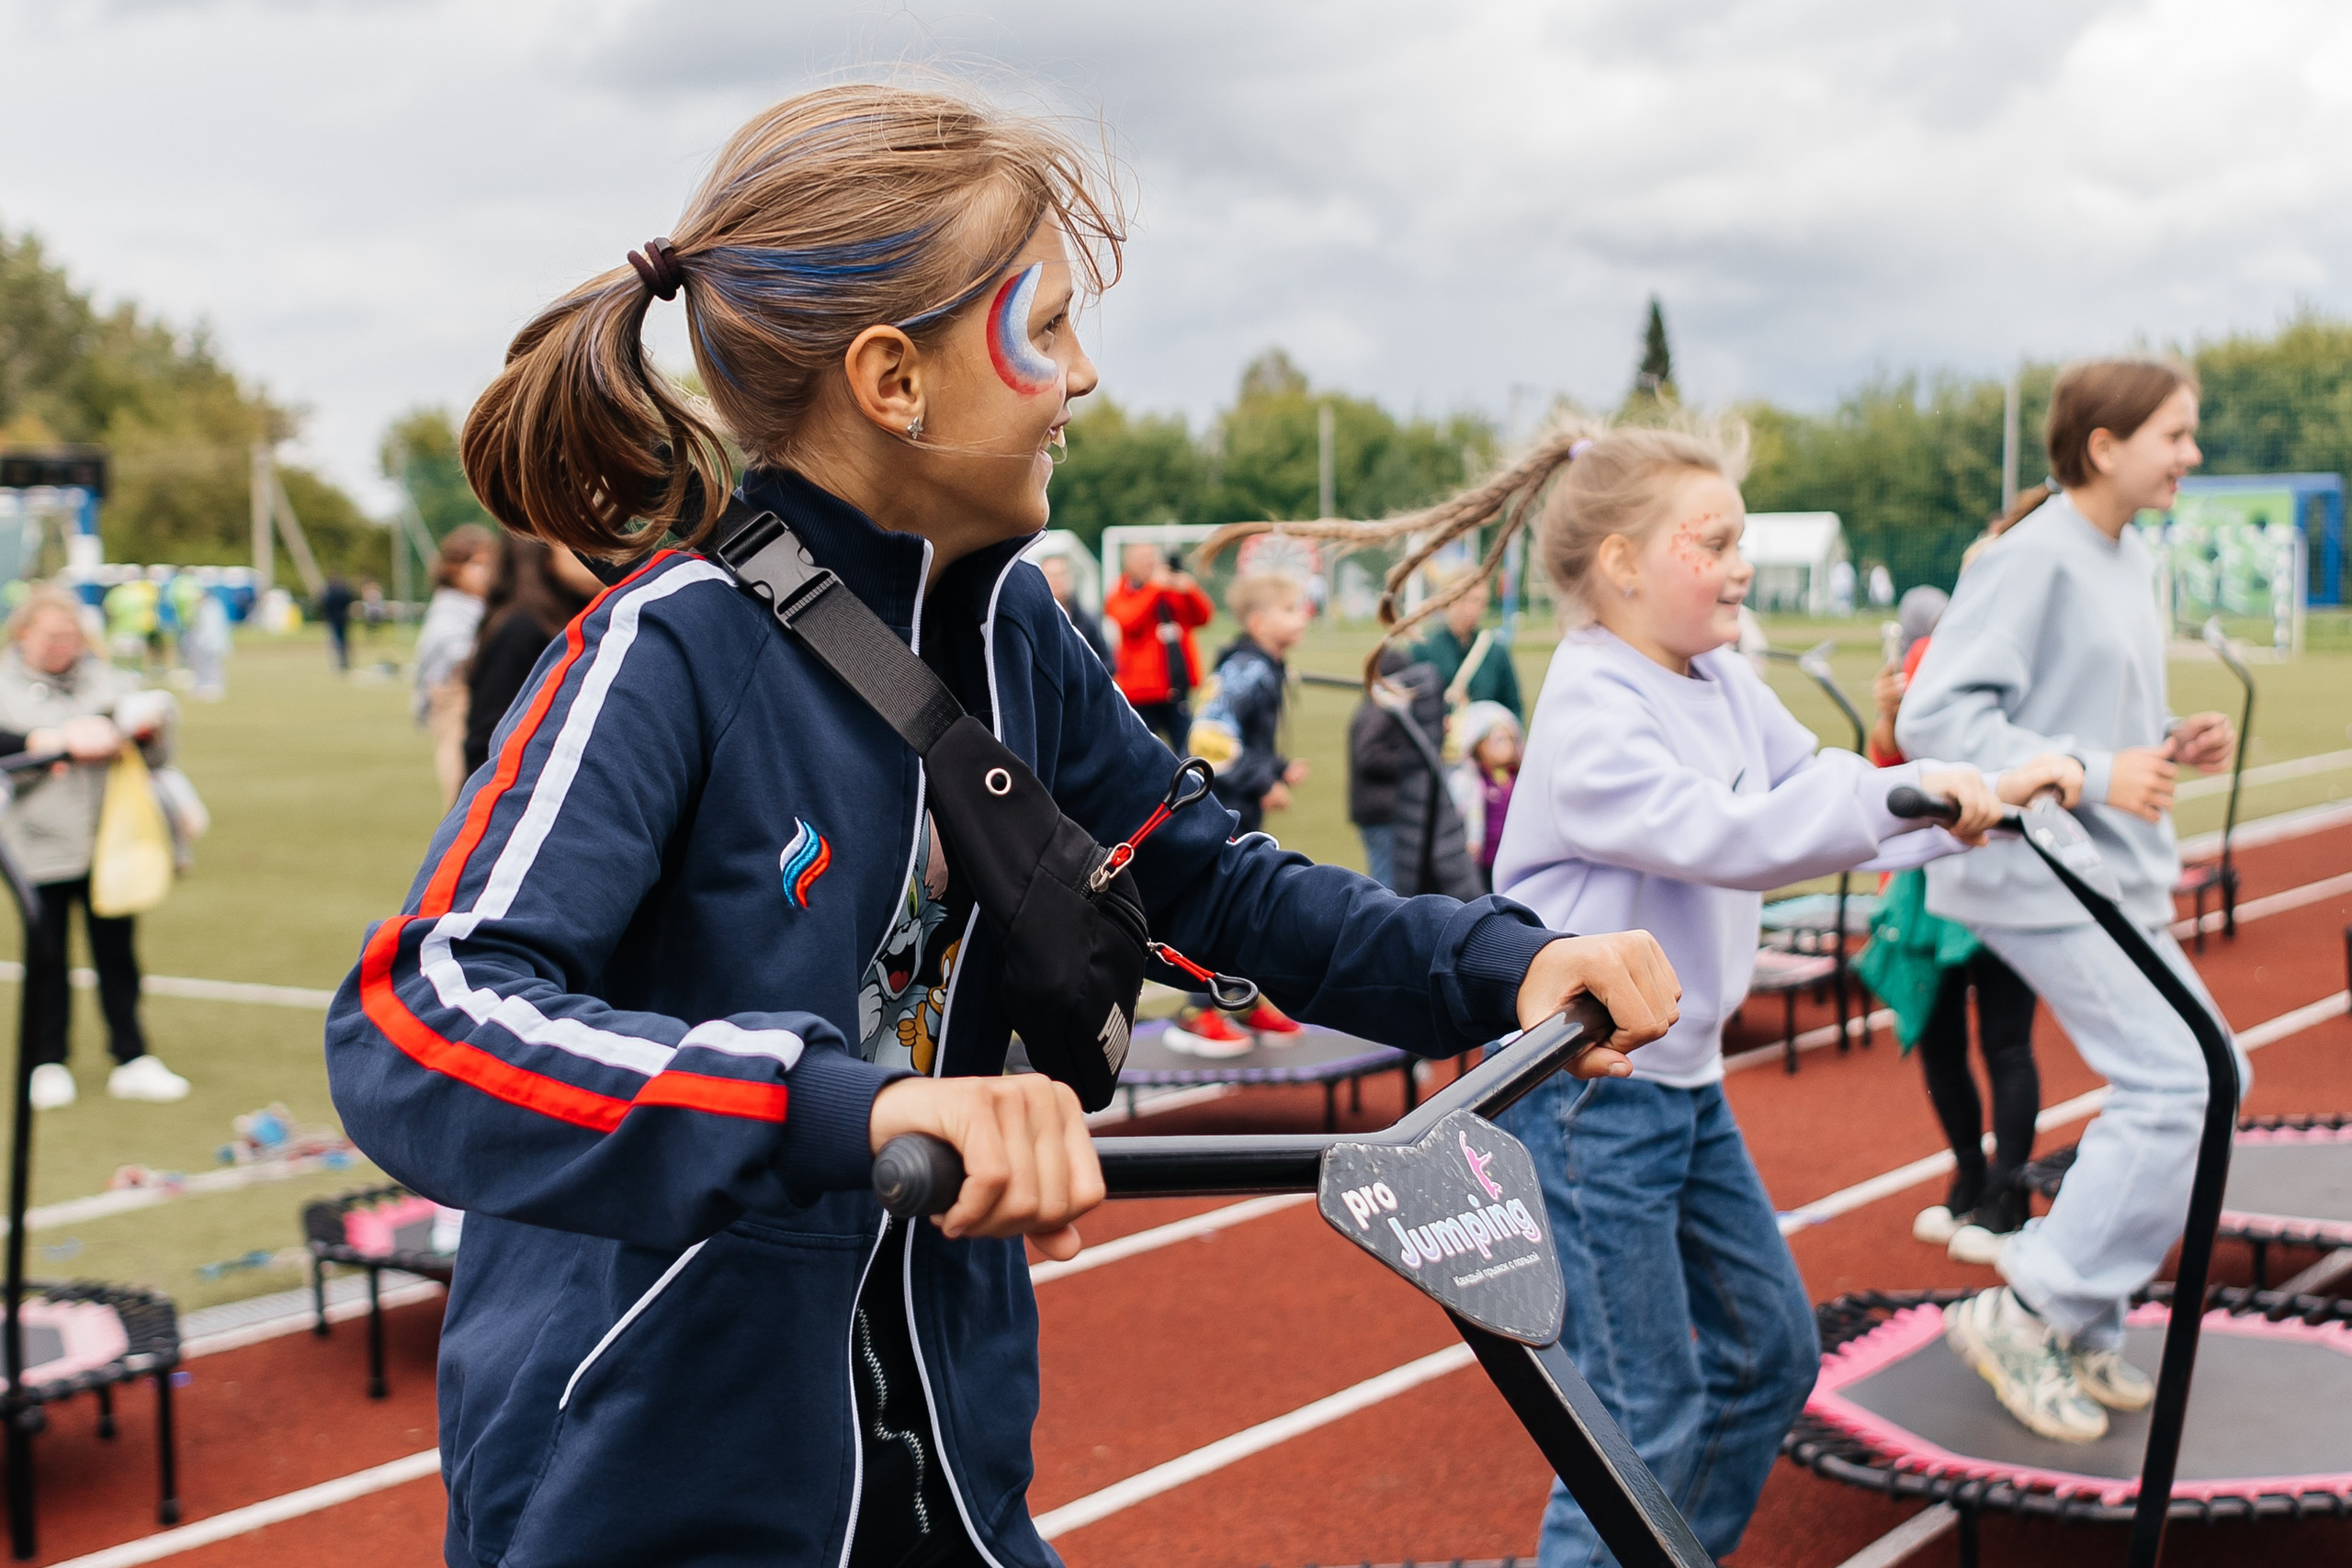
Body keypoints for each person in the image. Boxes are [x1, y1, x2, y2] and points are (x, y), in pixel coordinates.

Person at [322, 84, 1681, 1568]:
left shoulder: (1016, 630)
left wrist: (1506, 963)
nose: (1081, 377)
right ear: (893, 379)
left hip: (946, 1450)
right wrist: (842, 1105)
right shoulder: (675, 648)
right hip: (660, 1478)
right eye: (1043, 326)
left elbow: (1210, 884)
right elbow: (417, 1016)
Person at [1214, 419, 2066, 1567]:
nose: (1740, 565)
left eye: (1738, 541)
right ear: (1619, 562)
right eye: (1709, 542)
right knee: (1633, 1424)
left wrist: (1965, 796)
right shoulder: (1592, 709)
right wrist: (1910, 799)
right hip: (1589, 1101)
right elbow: (1732, 834)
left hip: (1685, 1086)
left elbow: (1814, 781)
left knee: (1768, 1361)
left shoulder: (1716, 674)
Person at [1899, 357, 2247, 1446]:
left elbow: (2085, 716)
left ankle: (2076, 1310)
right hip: (2038, 872)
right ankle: (2030, 1305)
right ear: (2104, 445)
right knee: (2175, 1076)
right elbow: (1935, 722)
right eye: (2176, 436)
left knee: (2212, 1074)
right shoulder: (2031, 556)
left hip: (2101, 871)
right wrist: (2098, 774)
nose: (2192, 455)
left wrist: (2161, 743)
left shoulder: (2123, 553)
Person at [1857, 581, 2041, 1265]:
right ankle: (1971, 1174)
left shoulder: (2024, 653)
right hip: (1927, 884)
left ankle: (2007, 1189)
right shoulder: (1931, 652)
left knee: (2004, 1042)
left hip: (2001, 868)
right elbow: (1890, 769)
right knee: (1942, 1042)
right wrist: (1888, 717)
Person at [0, 585, 192, 1109]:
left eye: (72, 635)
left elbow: (154, 757)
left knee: (117, 951)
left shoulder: (107, 679)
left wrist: (142, 734)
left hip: (111, 839)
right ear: (25, 634)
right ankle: (46, 1059)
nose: (66, 645)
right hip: (37, 844)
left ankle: (131, 1056)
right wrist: (52, 743)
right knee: (47, 954)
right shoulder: (5, 684)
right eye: (54, 635)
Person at [1164, 571, 1315, 1058]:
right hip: (1220, 805)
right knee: (1215, 902)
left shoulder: (1265, 665)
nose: (1302, 617)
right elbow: (1208, 738)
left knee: (1248, 899)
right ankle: (1194, 1012)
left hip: (1240, 803)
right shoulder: (1247, 670)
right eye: (1289, 609)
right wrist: (1260, 779)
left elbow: (1247, 736)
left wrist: (1279, 767)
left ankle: (1244, 1002)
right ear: (1257, 621)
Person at [459, 535, 601, 779]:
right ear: (540, 550)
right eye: (577, 539)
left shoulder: (582, 619)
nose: (598, 550)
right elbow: (486, 745)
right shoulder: (521, 630)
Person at [413, 525, 494, 806]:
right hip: (455, 699)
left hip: (479, 699)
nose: (486, 572)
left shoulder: (480, 603)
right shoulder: (450, 606)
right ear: (453, 568)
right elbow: (454, 652)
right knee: (463, 787)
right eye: (477, 564)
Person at [1104, 540, 1211, 750]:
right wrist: (1154, 588)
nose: (1149, 563)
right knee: (1140, 751)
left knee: (1188, 750)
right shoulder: (1121, 591)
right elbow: (1129, 620)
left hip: (1176, 688)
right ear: (1129, 564)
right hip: (1141, 693)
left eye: (1152, 558)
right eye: (1142, 559)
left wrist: (1189, 589)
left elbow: (1204, 617)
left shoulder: (1170, 588)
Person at [1409, 565, 1521, 720]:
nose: (1470, 609)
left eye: (1478, 601)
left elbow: (1513, 710)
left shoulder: (1496, 652)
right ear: (1447, 600)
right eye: (1464, 599)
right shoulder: (1422, 650)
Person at [1448, 700, 1522, 893]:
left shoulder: (1519, 780)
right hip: (1484, 859)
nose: (1506, 747)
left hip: (1514, 855)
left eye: (1510, 739)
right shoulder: (1471, 783)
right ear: (1478, 745)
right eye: (1498, 740)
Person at [1035, 549, 1110, 668]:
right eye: (1051, 575)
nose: (1057, 581)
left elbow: (1106, 662)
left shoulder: (1087, 619)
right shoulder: (1032, 619)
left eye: (1061, 574)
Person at [317, 571, 356, 671]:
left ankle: (339, 663)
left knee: (336, 641)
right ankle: (344, 662)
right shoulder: (344, 591)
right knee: (343, 641)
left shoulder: (330, 592)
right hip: (342, 619)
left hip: (334, 619)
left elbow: (324, 604)